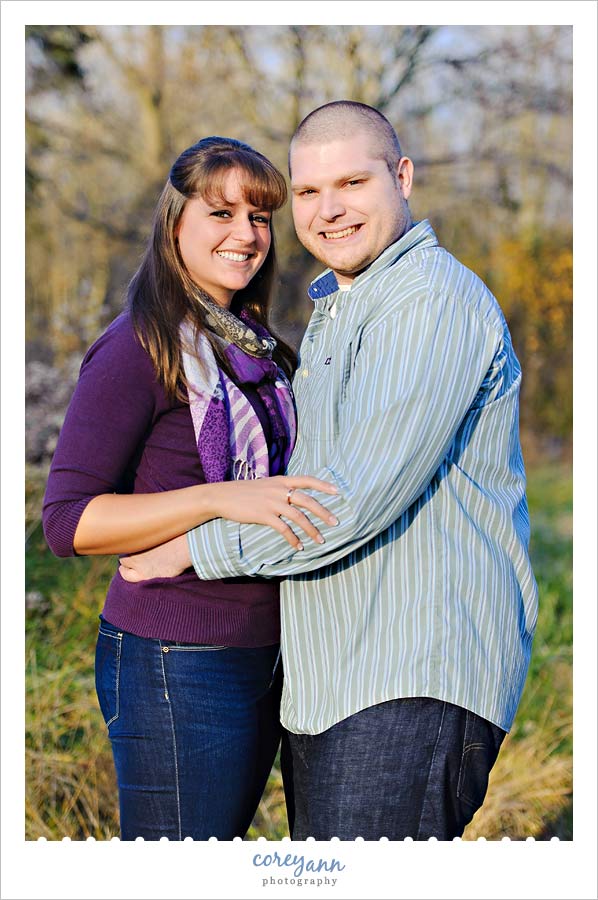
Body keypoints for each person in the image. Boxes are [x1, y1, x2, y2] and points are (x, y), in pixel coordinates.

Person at [119, 103, 539, 841]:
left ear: (402, 177)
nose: (328, 208)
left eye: (352, 180)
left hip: (409, 679)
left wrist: (191, 547)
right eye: (308, 191)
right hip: (334, 686)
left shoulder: (429, 302)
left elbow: (346, 504)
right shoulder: (341, 313)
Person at [42, 136, 340, 841]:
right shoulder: (137, 347)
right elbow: (67, 521)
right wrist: (215, 499)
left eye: (260, 217)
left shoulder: (254, 344)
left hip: (265, 652)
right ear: (175, 223)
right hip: (177, 662)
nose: (246, 234)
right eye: (222, 213)